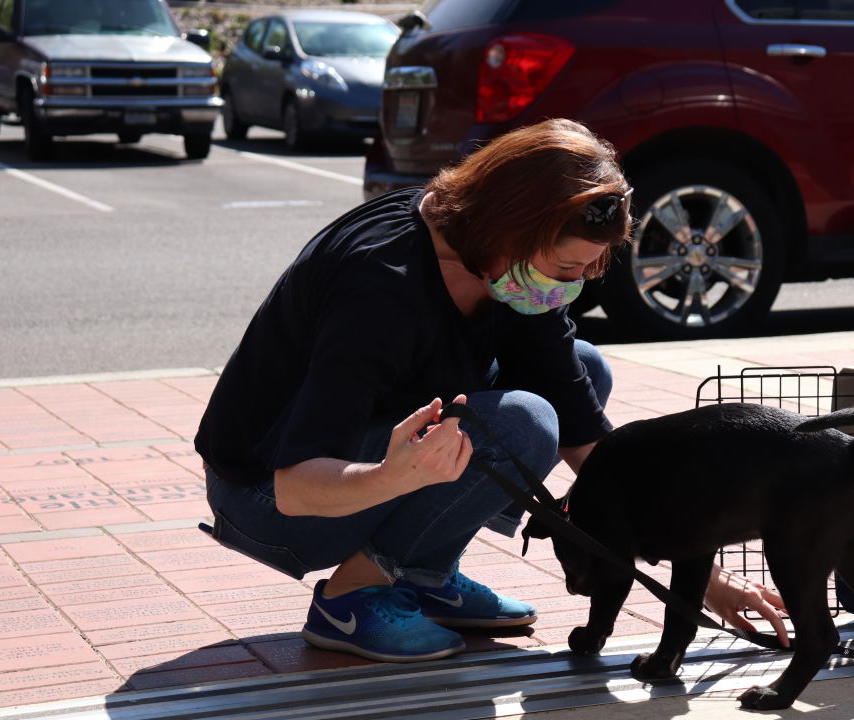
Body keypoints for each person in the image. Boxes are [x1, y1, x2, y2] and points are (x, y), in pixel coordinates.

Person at [195, 118, 788, 665]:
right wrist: (394, 478)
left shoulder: (504, 263)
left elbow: (596, 448)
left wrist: (702, 574)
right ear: (511, 225)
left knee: (582, 371)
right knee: (522, 421)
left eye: (589, 269)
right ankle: (352, 597)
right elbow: (296, 487)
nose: (576, 286)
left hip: (352, 468)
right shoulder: (381, 289)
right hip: (269, 499)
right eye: (566, 270)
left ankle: (424, 573)